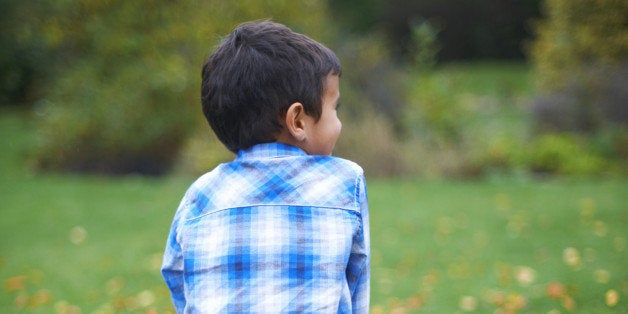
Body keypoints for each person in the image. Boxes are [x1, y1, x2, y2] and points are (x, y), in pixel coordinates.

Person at [161, 20, 370, 313]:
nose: (339, 123)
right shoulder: (344, 181)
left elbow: (177, 277)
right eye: (334, 108)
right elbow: (356, 282)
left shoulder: (200, 195)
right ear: (297, 120)